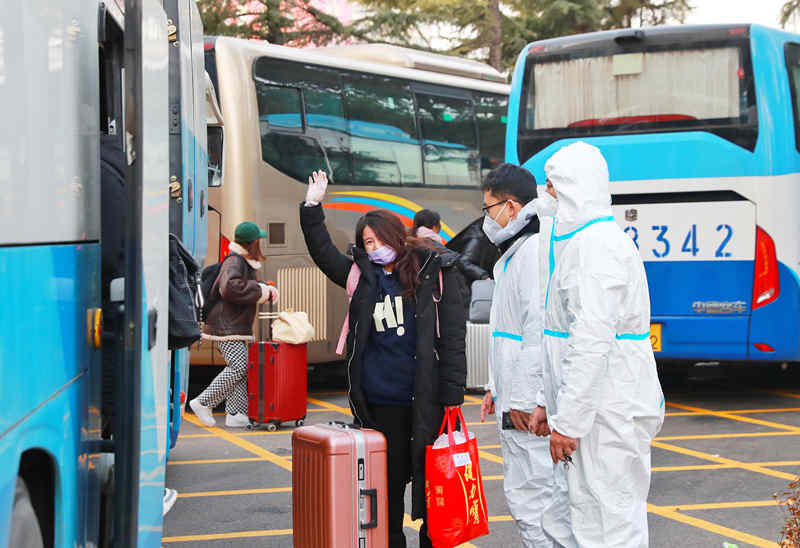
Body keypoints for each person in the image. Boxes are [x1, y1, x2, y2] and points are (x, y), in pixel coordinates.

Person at [300, 170, 467, 548]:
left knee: (433, 487)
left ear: (396, 237)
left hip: (425, 402)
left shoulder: (433, 272)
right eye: (367, 242)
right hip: (379, 405)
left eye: (378, 240)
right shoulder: (362, 277)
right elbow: (324, 254)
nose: (374, 248)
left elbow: (453, 340)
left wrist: (453, 395)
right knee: (386, 489)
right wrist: (312, 209)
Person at [532, 141, 665, 547]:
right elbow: (563, 339)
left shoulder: (597, 247)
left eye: (552, 186)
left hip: (606, 412)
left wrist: (569, 421)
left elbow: (591, 342)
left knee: (607, 524)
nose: (546, 194)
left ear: (575, 188)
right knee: (576, 517)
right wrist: (549, 403)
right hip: (593, 409)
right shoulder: (582, 244)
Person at [477, 163, 555, 547]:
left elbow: (537, 331)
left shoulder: (533, 251)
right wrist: (495, 386)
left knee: (536, 493)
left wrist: (525, 398)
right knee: (525, 491)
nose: (487, 219)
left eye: (489, 208)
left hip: (524, 404)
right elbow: (505, 331)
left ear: (511, 206)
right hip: (513, 396)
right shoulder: (515, 252)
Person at [189, 221, 278, 428]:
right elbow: (229, 287)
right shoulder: (235, 261)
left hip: (229, 324)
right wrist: (260, 290)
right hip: (225, 325)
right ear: (252, 243)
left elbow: (239, 285)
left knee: (240, 366)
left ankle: (236, 413)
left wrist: (263, 288)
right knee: (239, 366)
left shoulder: (240, 261)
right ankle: (203, 402)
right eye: (258, 240)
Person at [413, 209, 491, 283]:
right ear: (435, 227)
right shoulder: (435, 247)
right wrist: (484, 277)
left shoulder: (411, 243)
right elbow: (461, 262)